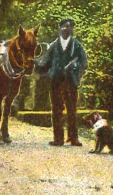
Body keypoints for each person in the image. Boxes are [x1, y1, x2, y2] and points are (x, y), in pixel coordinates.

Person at [34, 18, 88, 146]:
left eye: (68, 26)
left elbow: (83, 63)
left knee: (72, 110)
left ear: (72, 29)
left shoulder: (77, 45)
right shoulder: (53, 45)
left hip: (70, 81)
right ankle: (58, 139)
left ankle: (73, 138)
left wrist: (75, 71)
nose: (65, 29)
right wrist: (35, 64)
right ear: (59, 29)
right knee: (56, 109)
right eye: (62, 26)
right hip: (56, 82)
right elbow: (45, 62)